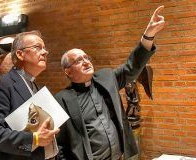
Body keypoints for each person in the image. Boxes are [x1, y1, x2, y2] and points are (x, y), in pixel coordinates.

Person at [55, 6, 165, 160]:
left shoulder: (106, 78)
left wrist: (149, 35)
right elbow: (59, 143)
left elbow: (132, 67)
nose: (86, 62)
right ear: (68, 71)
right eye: (79, 60)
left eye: (87, 58)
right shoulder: (61, 100)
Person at [0, 30, 60, 160]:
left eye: (44, 48)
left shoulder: (36, 86)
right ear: (20, 54)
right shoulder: (5, 84)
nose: (45, 52)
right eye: (37, 47)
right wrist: (34, 139)